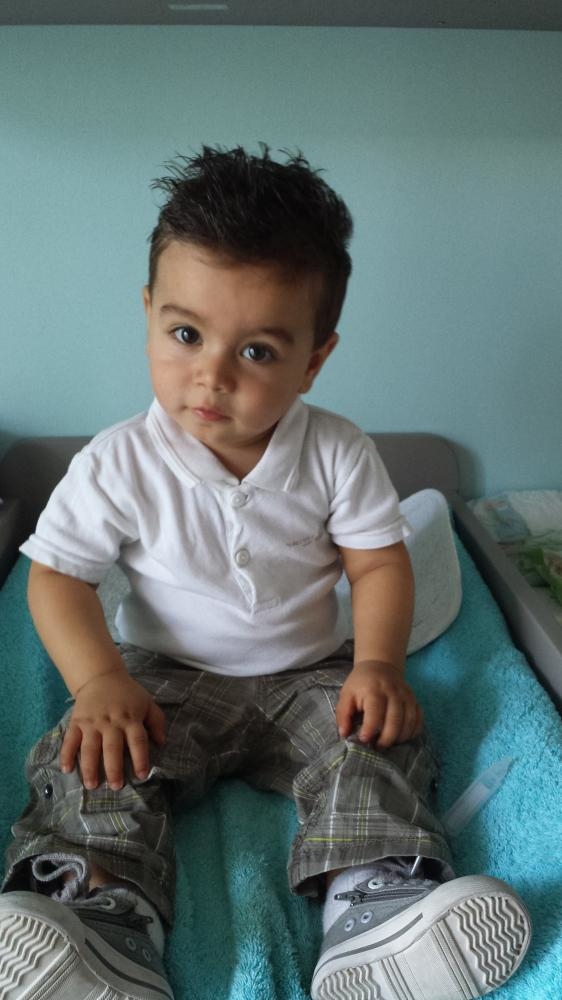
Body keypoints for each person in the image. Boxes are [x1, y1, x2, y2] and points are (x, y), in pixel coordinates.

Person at [0, 145, 530, 1000]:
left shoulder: (337, 451)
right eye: (185, 335)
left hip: (309, 674)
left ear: (314, 358)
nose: (211, 375)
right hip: (163, 680)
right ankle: (99, 917)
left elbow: (378, 563)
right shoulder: (117, 462)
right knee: (92, 759)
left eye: (256, 352)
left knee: (380, 741)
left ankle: (374, 908)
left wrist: (378, 664)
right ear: (148, 313)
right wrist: (98, 681)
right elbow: (57, 578)